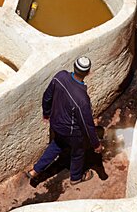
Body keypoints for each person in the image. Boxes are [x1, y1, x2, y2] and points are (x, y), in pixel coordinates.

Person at [25, 56, 102, 184]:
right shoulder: (82, 99)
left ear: (74, 67)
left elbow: (47, 95)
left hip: (56, 123)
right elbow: (87, 124)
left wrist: (46, 113)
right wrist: (96, 144)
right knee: (78, 152)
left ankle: (35, 171)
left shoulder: (59, 77)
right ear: (88, 72)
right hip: (71, 132)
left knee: (56, 145)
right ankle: (76, 178)